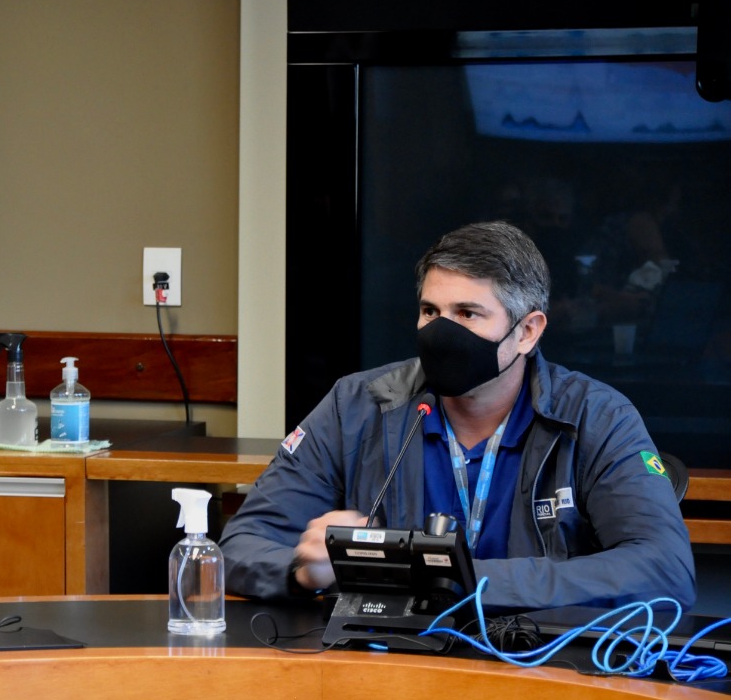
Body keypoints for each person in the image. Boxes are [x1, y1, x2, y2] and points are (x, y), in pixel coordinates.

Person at [221, 221, 696, 611]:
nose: (441, 332)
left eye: (467, 313)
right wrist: (303, 572)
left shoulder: (597, 417)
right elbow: (243, 543)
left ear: (528, 331)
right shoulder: (357, 405)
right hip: (387, 668)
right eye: (431, 311)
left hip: (541, 670)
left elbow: (663, 568)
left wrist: (447, 579)